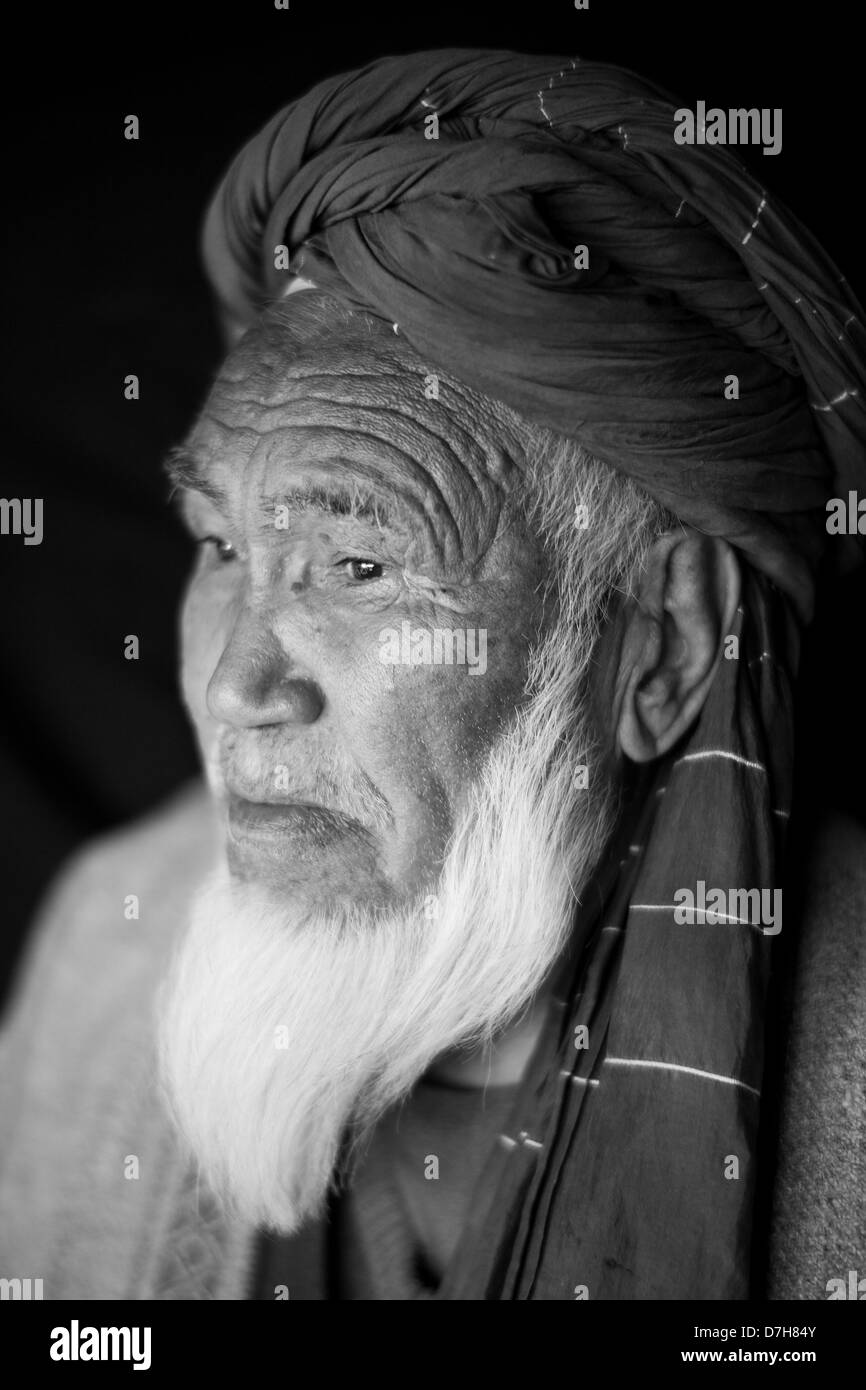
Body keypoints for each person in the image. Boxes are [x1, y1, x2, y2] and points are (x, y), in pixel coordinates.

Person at [1, 49, 863, 1301]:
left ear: (662, 649)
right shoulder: (104, 943)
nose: (242, 686)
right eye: (222, 544)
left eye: (358, 564)